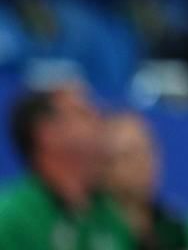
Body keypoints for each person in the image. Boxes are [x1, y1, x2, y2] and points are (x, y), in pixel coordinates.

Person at [0, 84, 133, 250]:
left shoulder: (111, 220)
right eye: (83, 111)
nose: (99, 117)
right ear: (47, 133)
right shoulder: (10, 220)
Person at [101, 112, 187, 250]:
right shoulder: (93, 228)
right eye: (129, 155)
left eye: (148, 150)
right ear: (104, 166)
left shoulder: (174, 228)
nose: (143, 163)